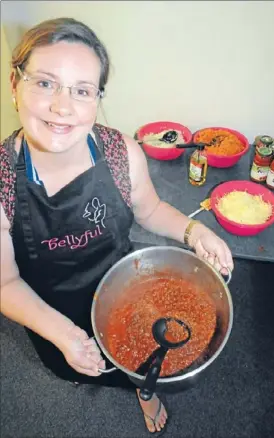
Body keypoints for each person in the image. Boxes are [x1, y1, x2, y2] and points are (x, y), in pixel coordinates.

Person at [0, 18, 234, 435]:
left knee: (144, 358)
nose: (62, 106)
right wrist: (64, 335)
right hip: (51, 308)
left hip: (129, 289)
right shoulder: (2, 182)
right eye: (45, 83)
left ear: (97, 98)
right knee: (73, 365)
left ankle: (144, 390)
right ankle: (75, 367)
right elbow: (5, 284)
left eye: (82, 90)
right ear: (15, 84)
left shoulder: (121, 151)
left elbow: (150, 210)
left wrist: (193, 232)